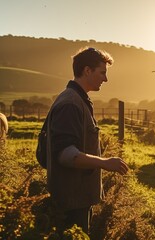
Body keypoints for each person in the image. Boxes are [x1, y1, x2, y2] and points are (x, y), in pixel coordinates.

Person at [46, 47, 129, 234]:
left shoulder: (78, 100)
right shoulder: (70, 104)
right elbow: (66, 155)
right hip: (72, 203)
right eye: (102, 73)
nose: (105, 79)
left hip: (78, 198)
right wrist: (105, 163)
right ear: (87, 70)